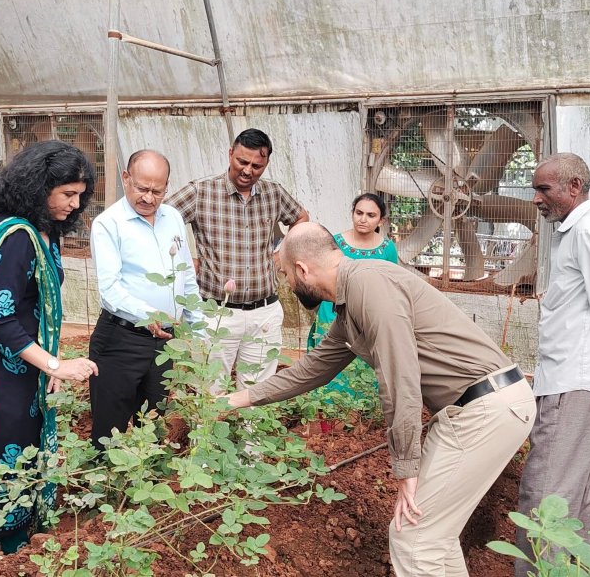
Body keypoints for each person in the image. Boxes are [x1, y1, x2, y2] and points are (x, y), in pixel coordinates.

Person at [226, 222, 535, 576]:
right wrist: (238, 400)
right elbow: (313, 369)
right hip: (483, 407)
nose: (287, 285)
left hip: (485, 409)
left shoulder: (369, 286)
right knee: (435, 537)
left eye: (285, 275)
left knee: (414, 540)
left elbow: (400, 378)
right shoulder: (353, 301)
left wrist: (406, 467)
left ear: (302, 269)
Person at [0, 140, 98, 558]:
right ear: (38, 187)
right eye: (68, 193)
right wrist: (55, 365)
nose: (76, 202)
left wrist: (45, 366)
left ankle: (14, 545)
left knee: (21, 448)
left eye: (81, 195)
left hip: (22, 364)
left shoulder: (41, 233)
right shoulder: (16, 236)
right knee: (0, 448)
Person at [515, 153, 590, 575]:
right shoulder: (575, 232)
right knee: (577, 491)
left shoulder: (588, 231)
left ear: (573, 188)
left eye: (543, 189)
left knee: (545, 490)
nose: (535, 198)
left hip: (573, 382)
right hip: (574, 379)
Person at [167, 128, 308, 391]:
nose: (248, 170)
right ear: (230, 153)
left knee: (258, 390)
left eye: (257, 165)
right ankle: (206, 431)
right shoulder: (201, 192)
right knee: (209, 388)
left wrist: (281, 257)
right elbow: (162, 220)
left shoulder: (274, 194)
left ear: (266, 163)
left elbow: (301, 218)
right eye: (242, 161)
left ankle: (251, 434)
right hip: (216, 313)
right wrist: (185, 261)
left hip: (264, 312)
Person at [89, 150, 202, 451]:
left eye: (157, 191)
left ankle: (146, 485)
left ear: (167, 187)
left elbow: (186, 277)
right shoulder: (108, 224)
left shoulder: (174, 218)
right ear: (126, 179)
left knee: (153, 420)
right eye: (141, 188)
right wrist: (145, 313)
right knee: (109, 427)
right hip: (121, 339)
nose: (149, 198)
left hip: (166, 340)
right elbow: (110, 290)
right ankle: (107, 489)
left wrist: (201, 330)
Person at [307, 192, 397, 396]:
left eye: (371, 215)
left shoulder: (387, 248)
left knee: (365, 367)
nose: (363, 219)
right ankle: (327, 424)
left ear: (381, 220)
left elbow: (391, 286)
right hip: (332, 312)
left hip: (367, 318)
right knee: (327, 366)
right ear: (352, 213)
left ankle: (359, 425)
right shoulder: (334, 242)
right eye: (359, 212)